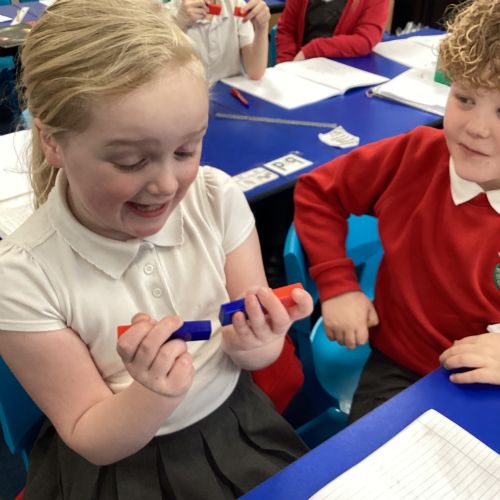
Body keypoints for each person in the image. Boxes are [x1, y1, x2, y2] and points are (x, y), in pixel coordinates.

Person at [0, 0, 313, 498]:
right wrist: (153, 393)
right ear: (52, 143)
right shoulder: (23, 276)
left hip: (236, 422)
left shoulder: (216, 199)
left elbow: (255, 353)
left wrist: (258, 339)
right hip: (124, 461)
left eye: (186, 150)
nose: (167, 184)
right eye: (130, 161)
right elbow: (89, 433)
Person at [294, 0, 500, 423]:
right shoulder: (414, 157)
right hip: (402, 367)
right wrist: (337, 284)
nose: (477, 128)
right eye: (464, 98)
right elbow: (318, 192)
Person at [168, 0, 270, 85]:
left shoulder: (236, 4)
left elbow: (255, 72)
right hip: (188, 94)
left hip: (230, 92)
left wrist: (261, 28)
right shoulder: (167, 13)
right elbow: (165, 77)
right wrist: (180, 25)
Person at [276, 0, 389, 63]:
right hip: (300, 69)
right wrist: (286, 65)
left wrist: (312, 50)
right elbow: (286, 29)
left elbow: (365, 40)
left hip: (344, 72)